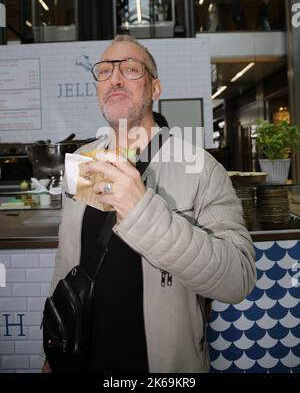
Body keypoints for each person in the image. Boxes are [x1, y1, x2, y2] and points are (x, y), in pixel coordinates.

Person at [42, 35, 256, 373]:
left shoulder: (199, 167)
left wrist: (142, 210)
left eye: (130, 69)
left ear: (155, 88)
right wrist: (55, 345)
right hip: (82, 360)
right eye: (105, 71)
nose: (114, 78)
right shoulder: (85, 160)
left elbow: (237, 279)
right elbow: (68, 259)